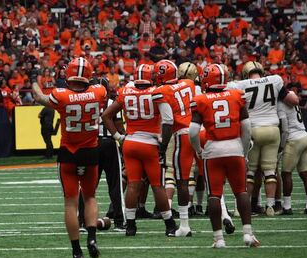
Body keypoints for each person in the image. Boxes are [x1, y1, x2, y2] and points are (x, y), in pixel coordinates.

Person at [32, 57, 106, 258]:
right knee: (90, 197)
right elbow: (101, 89)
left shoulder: (61, 95)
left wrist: (33, 81)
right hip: (91, 151)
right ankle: (92, 238)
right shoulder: (98, 91)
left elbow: (40, 98)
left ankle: (76, 250)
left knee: (71, 204)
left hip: (68, 153)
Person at [102, 64, 177, 237]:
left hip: (130, 143)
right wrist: (163, 145)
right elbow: (168, 121)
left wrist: (119, 137)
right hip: (149, 143)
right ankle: (170, 224)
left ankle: (130, 225)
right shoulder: (156, 92)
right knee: (157, 185)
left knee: (133, 185)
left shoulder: (126, 91)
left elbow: (106, 115)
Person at [189, 64, 260, 248]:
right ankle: (247, 234)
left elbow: (193, 131)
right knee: (241, 191)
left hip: (213, 150)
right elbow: (246, 127)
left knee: (214, 194)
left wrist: (198, 149)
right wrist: (243, 149)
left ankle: (219, 239)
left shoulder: (201, 99)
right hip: (234, 147)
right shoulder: (236, 95)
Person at [226, 61, 299, 216]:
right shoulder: (275, 80)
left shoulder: (239, 85)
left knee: (251, 172)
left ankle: (242, 207)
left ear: (246, 73)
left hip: (253, 129)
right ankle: (270, 205)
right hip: (273, 129)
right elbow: (293, 101)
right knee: (270, 171)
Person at [153, 60, 201, 237]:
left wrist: (163, 146)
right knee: (209, 177)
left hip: (183, 134)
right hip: (200, 131)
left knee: (181, 179)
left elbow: (167, 121)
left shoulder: (161, 91)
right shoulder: (188, 83)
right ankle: (225, 215)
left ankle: (184, 225)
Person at [80, 77, 125, 232]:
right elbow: (118, 125)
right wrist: (122, 138)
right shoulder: (111, 102)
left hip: (91, 144)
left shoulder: (85, 102)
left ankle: (81, 222)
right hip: (109, 143)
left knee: (87, 185)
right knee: (115, 184)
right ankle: (119, 221)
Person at [279, 103, 307, 214]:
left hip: (294, 139)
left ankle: (287, 206)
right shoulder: (292, 98)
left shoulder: (281, 104)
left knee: (286, 174)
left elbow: (284, 129)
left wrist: (281, 145)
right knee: (305, 173)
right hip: (305, 136)